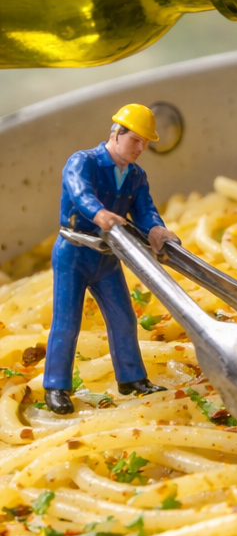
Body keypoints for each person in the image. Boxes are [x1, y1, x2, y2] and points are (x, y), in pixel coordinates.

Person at [43, 104, 179, 415]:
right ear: (116, 134)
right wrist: (99, 213)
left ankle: (131, 380)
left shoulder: (136, 176)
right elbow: (80, 192)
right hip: (74, 253)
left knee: (124, 318)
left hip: (107, 257)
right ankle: (56, 386)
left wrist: (156, 229)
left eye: (145, 142)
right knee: (66, 323)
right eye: (136, 140)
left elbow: (144, 209)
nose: (141, 148)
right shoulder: (83, 161)